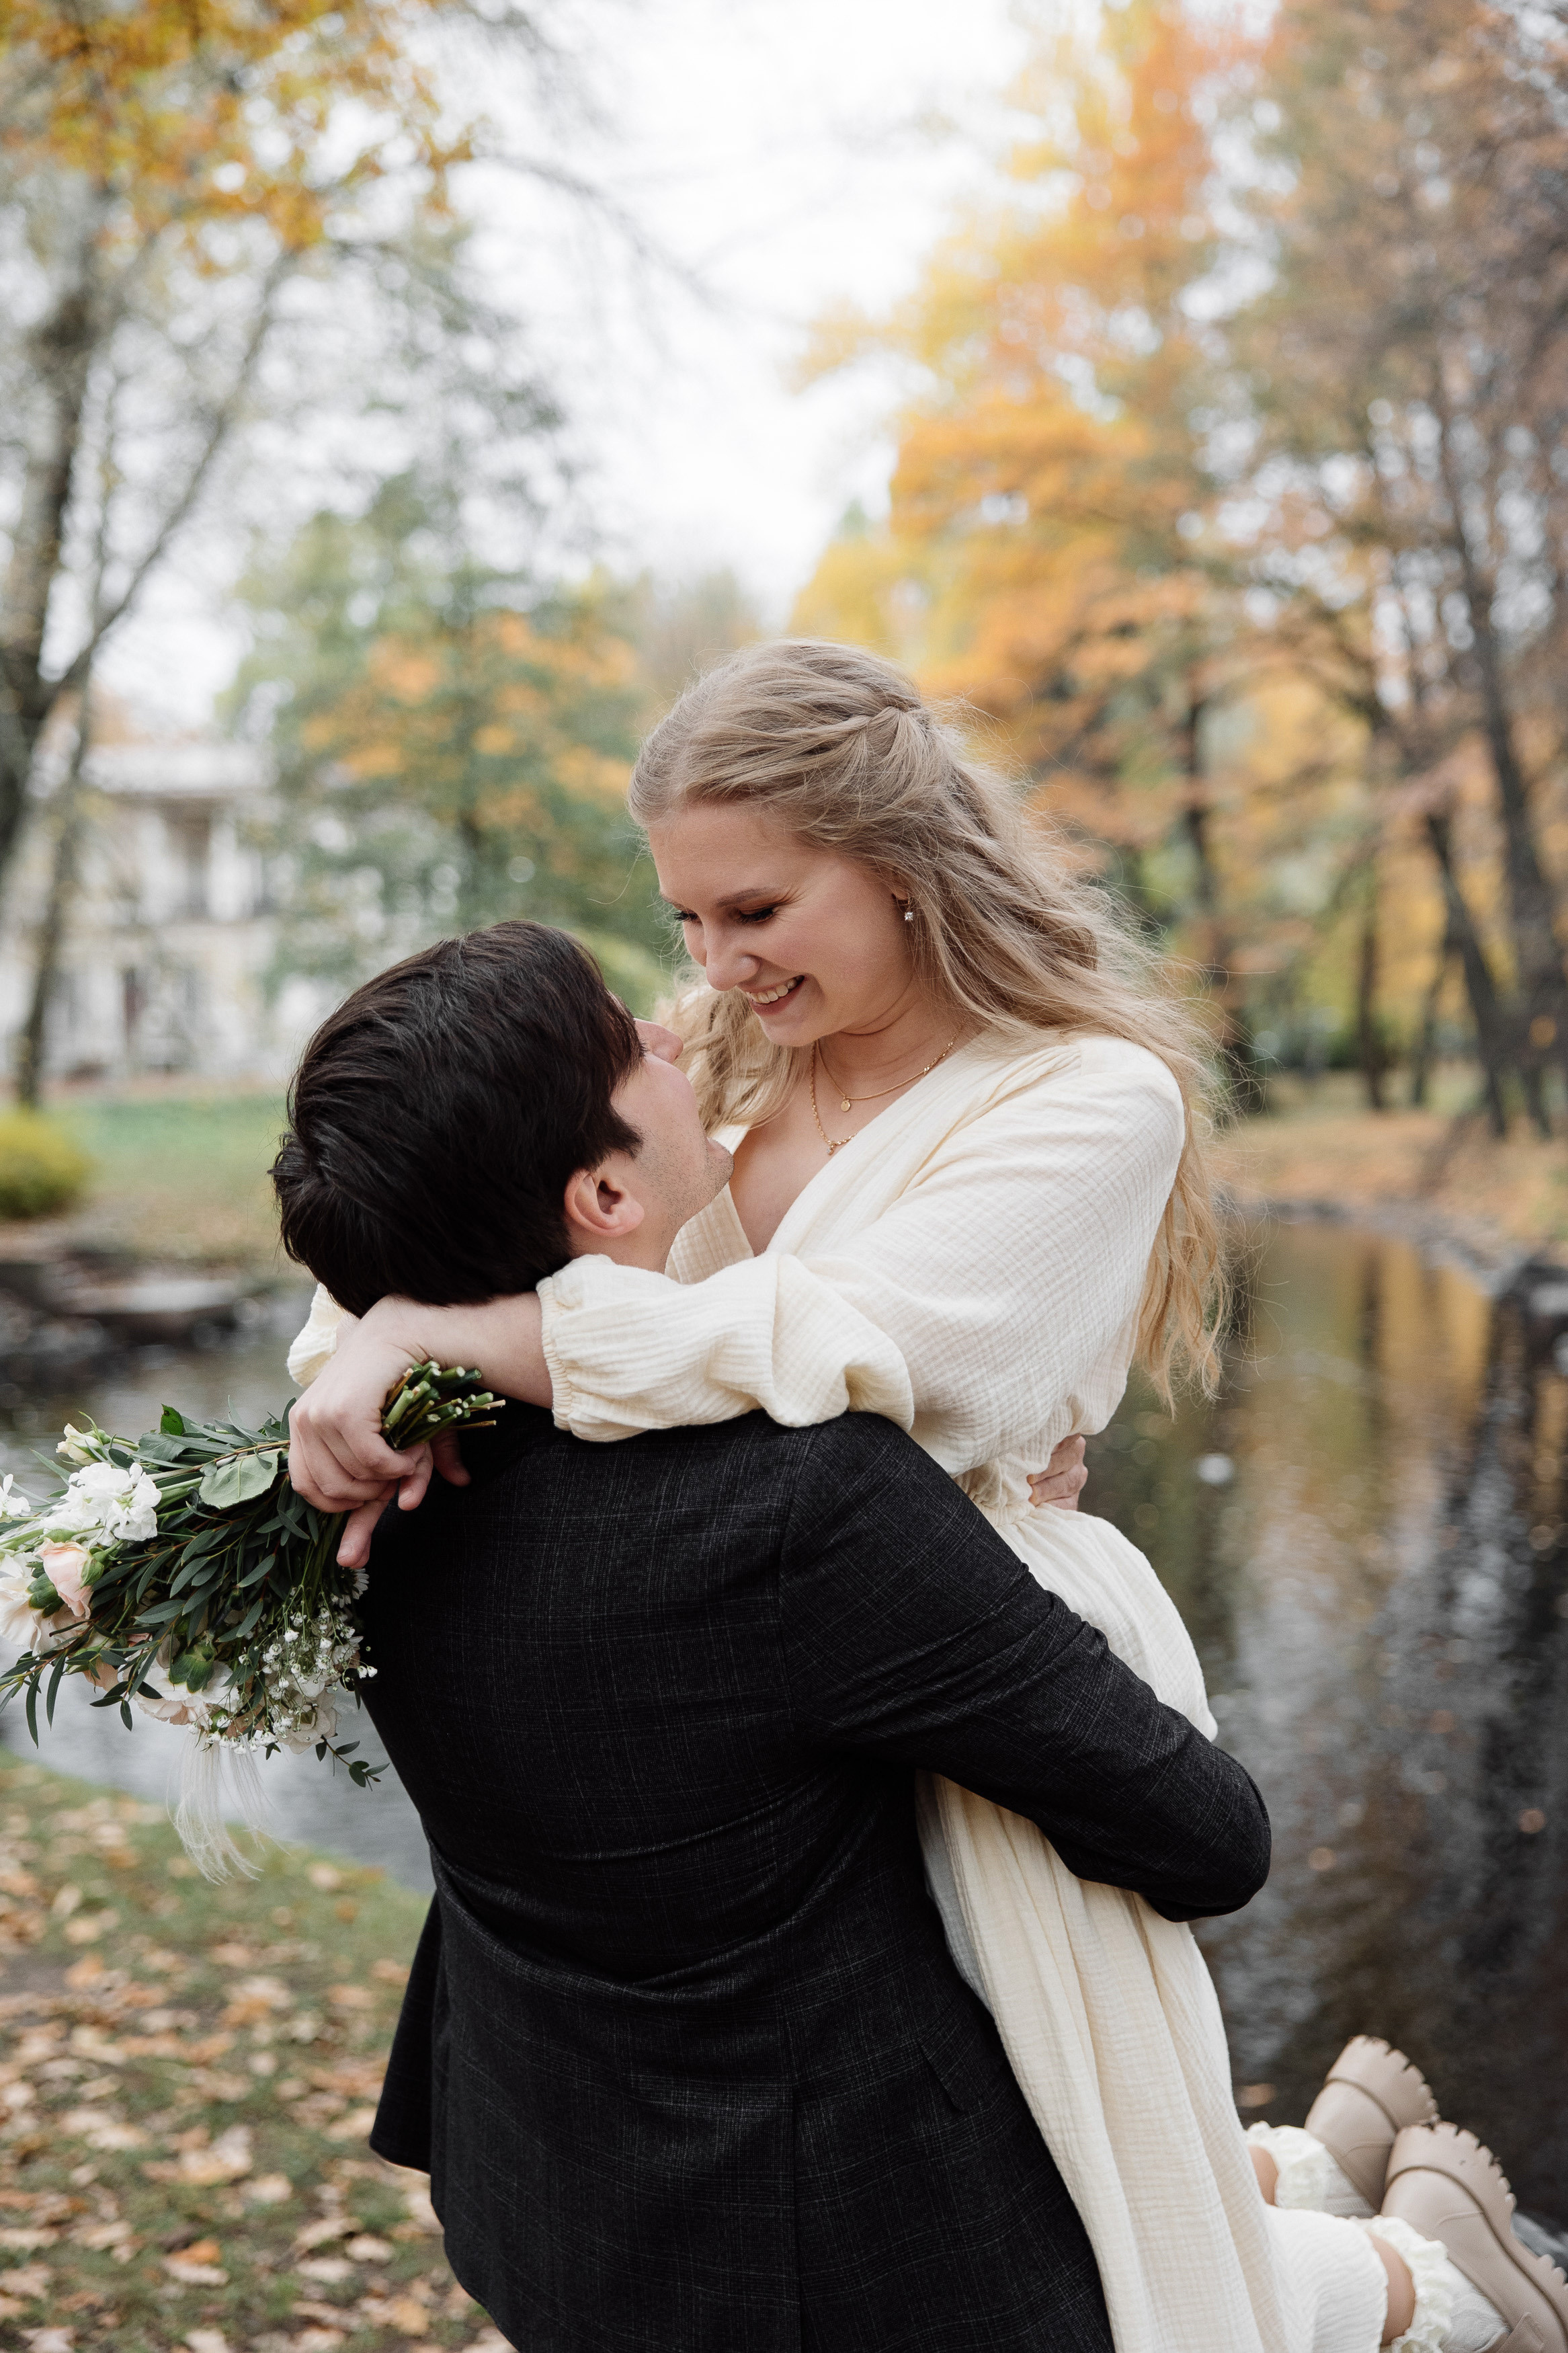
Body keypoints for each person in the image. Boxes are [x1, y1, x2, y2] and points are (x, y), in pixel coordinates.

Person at [284, 642, 1568, 2353]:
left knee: (1059, 2120)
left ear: (897, 864)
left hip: (950, 1640)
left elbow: (849, 1355)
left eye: (753, 911)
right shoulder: (730, 1067)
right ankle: (1300, 2184)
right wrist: (357, 1349)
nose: (715, 971)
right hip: (750, 1663)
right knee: (1020, 2121)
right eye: (685, 924)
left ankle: (1413, 2284)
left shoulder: (1086, 1099)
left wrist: (458, 1338)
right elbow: (457, 1207)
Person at [271, 919, 1276, 2352]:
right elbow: (1204, 1836)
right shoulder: (802, 1504)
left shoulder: (357, 1475)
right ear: (607, 1191)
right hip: (852, 2267)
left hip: (540, 2181)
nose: (678, 1034)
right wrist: (994, 1541)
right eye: (634, 1043)